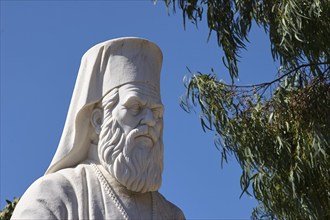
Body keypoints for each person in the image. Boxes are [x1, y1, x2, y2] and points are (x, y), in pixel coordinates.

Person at [11, 37, 185, 220]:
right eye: (136, 107)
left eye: (157, 112)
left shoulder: (171, 214)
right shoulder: (54, 196)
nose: (150, 120)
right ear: (99, 120)